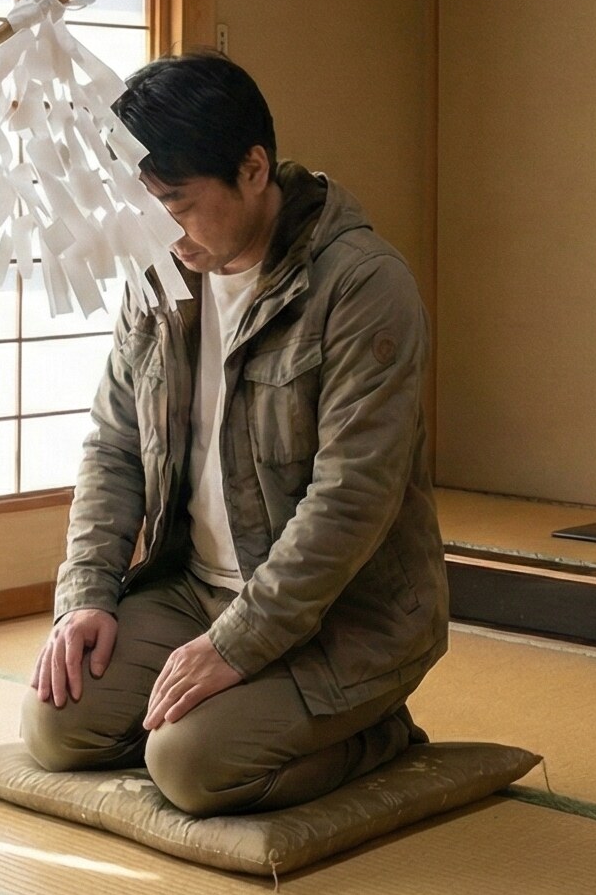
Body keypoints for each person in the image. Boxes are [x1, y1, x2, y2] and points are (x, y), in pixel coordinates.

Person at [22, 53, 445, 817]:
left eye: (177, 206)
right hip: (194, 588)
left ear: (253, 169)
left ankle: (375, 730)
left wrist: (237, 645)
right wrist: (86, 597)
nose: (161, 232)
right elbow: (114, 446)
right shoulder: (158, 275)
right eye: (144, 210)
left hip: (344, 616)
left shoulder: (361, 284)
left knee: (189, 766)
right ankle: (249, 722)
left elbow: (351, 499)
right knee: (57, 724)